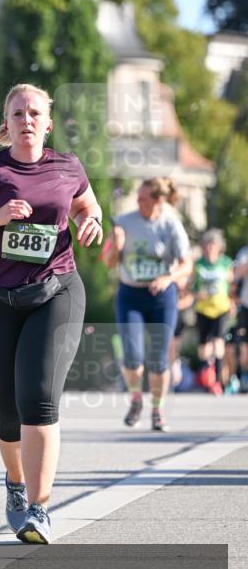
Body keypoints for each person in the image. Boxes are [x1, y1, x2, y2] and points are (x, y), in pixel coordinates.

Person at [0, 83, 102, 544]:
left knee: (39, 399)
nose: (26, 120)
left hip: (56, 292)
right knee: (7, 412)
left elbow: (88, 205)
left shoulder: (68, 166)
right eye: (17, 114)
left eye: (34, 113)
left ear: (48, 123)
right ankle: (14, 482)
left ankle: (38, 509)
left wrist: (92, 221)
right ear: (6, 123)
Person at [103, 178, 192, 432]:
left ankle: (157, 409)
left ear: (158, 201)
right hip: (130, 295)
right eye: (137, 198)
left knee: (158, 358)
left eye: (143, 198)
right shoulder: (123, 222)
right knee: (132, 358)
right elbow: (108, 262)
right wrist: (117, 247)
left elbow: (187, 264)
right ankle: (135, 400)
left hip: (162, 297)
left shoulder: (171, 225)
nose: (138, 202)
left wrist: (168, 278)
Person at [193, 229, 234, 395]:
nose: (209, 247)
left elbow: (231, 286)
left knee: (218, 343)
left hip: (221, 308)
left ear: (219, 247)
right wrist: (198, 294)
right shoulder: (199, 264)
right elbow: (192, 288)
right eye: (207, 244)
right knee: (203, 348)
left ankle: (216, 381)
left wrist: (232, 302)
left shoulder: (226, 263)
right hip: (203, 309)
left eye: (213, 244)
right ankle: (206, 378)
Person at [233, 245, 248, 392]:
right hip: (246, 305)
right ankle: (245, 378)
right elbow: (236, 274)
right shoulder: (244, 252)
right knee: (244, 349)